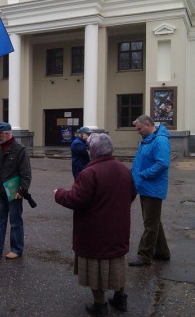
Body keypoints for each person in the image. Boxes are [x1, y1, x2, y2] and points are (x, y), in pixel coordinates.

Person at [54, 133, 137, 316]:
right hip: (118, 229)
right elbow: (131, 193)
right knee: (117, 265)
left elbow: (76, 200)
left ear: (93, 151)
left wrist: (59, 193)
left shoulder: (89, 173)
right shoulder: (123, 169)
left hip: (94, 233)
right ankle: (119, 299)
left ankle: (99, 306)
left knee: (95, 270)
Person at [0, 122, 31, 259]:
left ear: (7, 133)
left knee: (15, 222)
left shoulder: (20, 149)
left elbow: (26, 173)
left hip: (14, 191)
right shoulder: (0, 148)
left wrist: (22, 190)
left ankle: (16, 249)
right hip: (1, 190)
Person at [129, 115, 171, 267]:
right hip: (146, 188)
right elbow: (140, 162)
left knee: (150, 224)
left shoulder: (159, 141)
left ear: (148, 124)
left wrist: (143, 175)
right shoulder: (148, 140)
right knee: (154, 222)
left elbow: (162, 164)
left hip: (152, 189)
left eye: (139, 128)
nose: (138, 132)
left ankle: (144, 256)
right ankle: (162, 252)